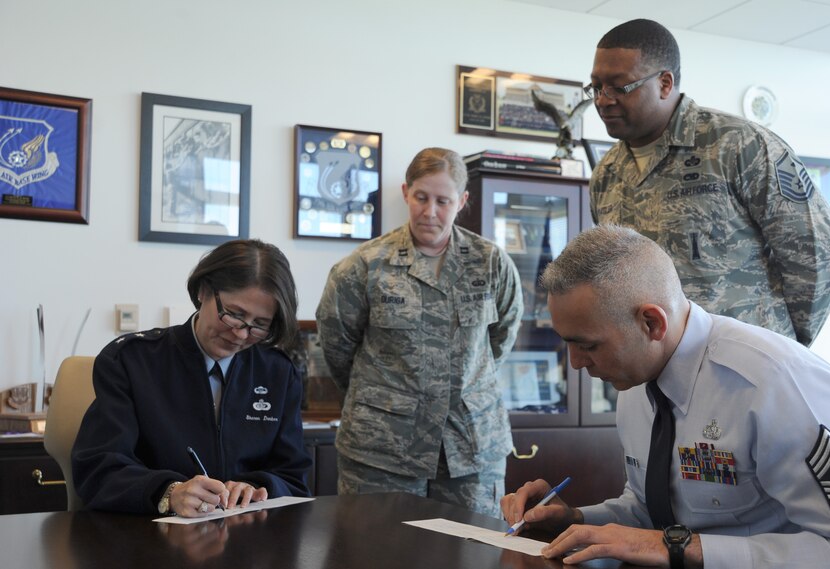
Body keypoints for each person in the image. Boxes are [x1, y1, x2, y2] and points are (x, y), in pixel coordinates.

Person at [501, 225, 830, 568]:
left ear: (651, 323)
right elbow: (651, 510)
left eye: (587, 345)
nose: (575, 363)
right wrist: (575, 520)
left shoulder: (777, 385)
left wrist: (678, 548)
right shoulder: (635, 377)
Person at [586, 18, 830, 347]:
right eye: (596, 87)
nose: (603, 100)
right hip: (652, 373)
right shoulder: (606, 173)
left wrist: (785, 345)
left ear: (665, 83)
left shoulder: (737, 145)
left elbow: (819, 253)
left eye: (619, 87)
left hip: (745, 367)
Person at [316, 147, 523, 517]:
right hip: (383, 448)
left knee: (473, 554)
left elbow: (501, 338)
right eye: (421, 198)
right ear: (405, 193)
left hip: (470, 446)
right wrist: (388, 399)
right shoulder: (364, 266)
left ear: (462, 201)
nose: (430, 212)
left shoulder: (491, 262)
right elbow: (336, 345)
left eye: (443, 201)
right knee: (376, 554)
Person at [72, 239, 312, 516]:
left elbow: (294, 478)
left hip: (247, 541)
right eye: (234, 315)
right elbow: (99, 469)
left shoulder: (278, 373)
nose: (241, 335)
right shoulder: (131, 361)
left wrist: (258, 487)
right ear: (203, 291)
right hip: (149, 538)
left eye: (259, 325)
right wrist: (169, 492)